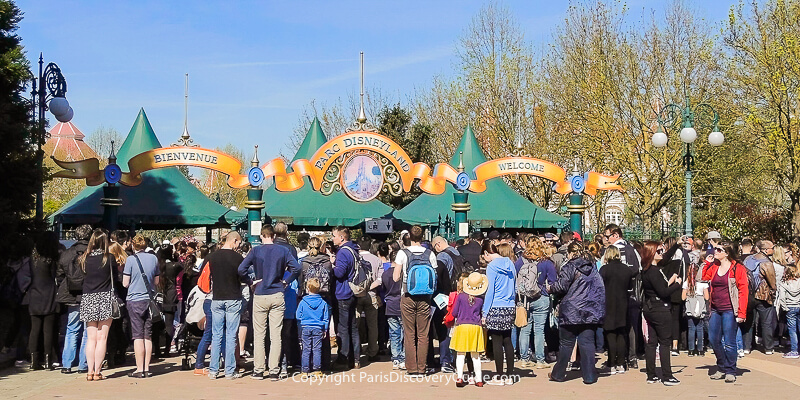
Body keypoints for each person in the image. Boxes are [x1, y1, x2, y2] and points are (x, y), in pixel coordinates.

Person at [240, 225, 301, 380]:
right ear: (273, 236)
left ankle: (259, 370)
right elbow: (297, 268)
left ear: (261, 236)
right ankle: (274, 370)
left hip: (260, 293)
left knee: (259, 335)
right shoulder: (283, 251)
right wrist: (286, 281)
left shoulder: (255, 251)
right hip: (277, 293)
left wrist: (251, 282)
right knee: (276, 334)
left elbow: (241, 270)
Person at [547, 242, 605, 385]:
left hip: (571, 310)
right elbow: (600, 288)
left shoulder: (569, 266)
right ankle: (589, 376)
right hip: (589, 310)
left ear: (571, 253)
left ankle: (558, 373)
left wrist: (550, 288)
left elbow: (561, 286)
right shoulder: (593, 268)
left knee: (566, 344)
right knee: (587, 343)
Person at [393, 225, 438, 376]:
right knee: (423, 333)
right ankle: (422, 367)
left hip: (407, 296)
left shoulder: (402, 253)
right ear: (422, 236)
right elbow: (435, 276)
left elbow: (395, 277)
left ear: (409, 237)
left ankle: (412, 368)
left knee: (409, 332)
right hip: (425, 297)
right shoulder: (430, 253)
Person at [703, 242, 748, 383]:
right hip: (715, 309)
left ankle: (730, 370)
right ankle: (722, 365)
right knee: (713, 339)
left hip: (730, 309)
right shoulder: (714, 266)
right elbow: (702, 277)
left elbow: (743, 291)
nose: (715, 251)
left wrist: (741, 313)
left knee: (729, 341)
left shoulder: (737, 268)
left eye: (719, 250)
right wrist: (706, 263)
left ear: (727, 253)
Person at [78, 228, 118, 381]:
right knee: (103, 338)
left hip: (88, 298)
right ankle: (97, 371)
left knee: (91, 338)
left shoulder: (83, 258)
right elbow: (116, 277)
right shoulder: (109, 258)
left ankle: (89, 371)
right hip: (105, 297)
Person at [640, 241, 682, 386]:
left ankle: (651, 375)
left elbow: (659, 286)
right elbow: (663, 292)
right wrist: (677, 284)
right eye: (658, 251)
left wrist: (676, 245)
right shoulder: (653, 271)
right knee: (664, 342)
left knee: (652, 342)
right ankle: (667, 376)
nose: (661, 254)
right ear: (651, 253)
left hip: (650, 308)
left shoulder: (647, 270)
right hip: (659, 308)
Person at [602, 224, 643, 370]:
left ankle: (615, 360)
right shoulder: (632, 249)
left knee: (613, 331)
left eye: (607, 236)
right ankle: (631, 357)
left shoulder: (611, 255)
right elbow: (638, 269)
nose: (606, 240)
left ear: (615, 235)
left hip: (611, 298)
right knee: (629, 328)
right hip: (630, 294)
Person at [514, 235, 557, 369]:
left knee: (525, 329)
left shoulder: (520, 261)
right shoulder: (546, 262)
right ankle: (540, 360)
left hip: (525, 299)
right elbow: (553, 281)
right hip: (541, 297)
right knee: (539, 330)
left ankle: (524, 358)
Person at [206, 232, 244, 380]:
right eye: (239, 243)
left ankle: (213, 370)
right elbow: (243, 276)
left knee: (216, 335)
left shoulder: (212, 257)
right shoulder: (238, 258)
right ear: (234, 241)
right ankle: (229, 371)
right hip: (233, 297)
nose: (239, 246)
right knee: (231, 335)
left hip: (217, 297)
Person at [56, 224, 92, 374]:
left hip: (71, 294)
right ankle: (83, 364)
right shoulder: (92, 253)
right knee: (87, 331)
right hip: (88, 293)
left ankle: (67, 363)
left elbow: (59, 274)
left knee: (71, 329)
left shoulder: (66, 253)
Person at [122, 234, 160, 378]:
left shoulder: (131, 260)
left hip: (134, 299)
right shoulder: (154, 258)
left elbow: (125, 283)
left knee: (137, 335)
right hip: (149, 300)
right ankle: (147, 367)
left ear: (133, 245)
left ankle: (139, 369)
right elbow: (156, 282)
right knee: (147, 335)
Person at [481, 242, 517, 385]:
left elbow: (490, 291)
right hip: (509, 306)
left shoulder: (492, 267)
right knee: (507, 340)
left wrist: (485, 312)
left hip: (495, 306)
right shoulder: (511, 263)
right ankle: (509, 375)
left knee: (496, 341)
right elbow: (514, 286)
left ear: (486, 253)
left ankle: (499, 375)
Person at [26, 232, 61, 371]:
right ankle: (48, 361)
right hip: (49, 294)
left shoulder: (32, 258)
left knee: (34, 329)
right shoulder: (51, 259)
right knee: (48, 330)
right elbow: (54, 277)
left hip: (34, 294)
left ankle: (34, 361)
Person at [331, 226, 362, 369]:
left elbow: (339, 273)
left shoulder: (343, 252)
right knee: (353, 326)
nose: (332, 239)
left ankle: (344, 358)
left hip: (343, 293)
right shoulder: (354, 250)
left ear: (342, 237)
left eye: (334, 236)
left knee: (343, 327)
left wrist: (332, 264)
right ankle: (355, 358)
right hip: (353, 291)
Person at [599, 246, 634, 374]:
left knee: (610, 334)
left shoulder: (604, 270)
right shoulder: (627, 270)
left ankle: (611, 364)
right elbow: (630, 288)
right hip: (623, 303)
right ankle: (621, 363)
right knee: (621, 333)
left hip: (608, 303)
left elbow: (600, 288)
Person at [450, 272, 487, 388]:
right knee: (475, 355)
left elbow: (454, 312)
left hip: (462, 326)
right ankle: (479, 379)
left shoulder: (461, 296)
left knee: (460, 354)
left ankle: (460, 377)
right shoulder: (481, 299)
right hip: (476, 327)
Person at [743, 240, 778, 355]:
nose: (773, 250)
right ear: (766, 250)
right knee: (766, 322)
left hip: (748, 294)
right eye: (772, 248)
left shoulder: (748, 260)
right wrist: (773, 290)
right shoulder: (766, 262)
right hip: (763, 295)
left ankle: (747, 347)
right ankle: (768, 347)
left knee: (749, 322)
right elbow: (771, 280)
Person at [296, 277, 329, 377]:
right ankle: (317, 370)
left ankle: (305, 371)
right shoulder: (323, 303)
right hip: (318, 328)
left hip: (305, 327)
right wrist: (325, 329)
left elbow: (298, 315)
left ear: (307, 289)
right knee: (317, 349)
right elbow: (326, 318)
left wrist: (303, 321)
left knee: (306, 349)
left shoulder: (303, 302)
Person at [379, 242, 404, 370]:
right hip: (402, 305)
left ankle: (395, 358)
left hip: (389, 305)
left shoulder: (385, 274)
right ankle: (403, 357)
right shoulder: (403, 273)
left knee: (394, 333)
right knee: (404, 333)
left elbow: (383, 288)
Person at [356, 236, 381, 363]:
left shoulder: (355, 258)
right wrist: (370, 287)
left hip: (356, 295)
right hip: (371, 294)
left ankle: (356, 350)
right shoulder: (376, 259)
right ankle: (372, 351)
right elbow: (380, 279)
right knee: (372, 325)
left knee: (356, 324)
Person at [683, 262, 709, 356]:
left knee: (691, 329)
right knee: (700, 329)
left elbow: (683, 297)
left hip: (690, 308)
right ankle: (700, 350)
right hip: (700, 308)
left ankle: (691, 349)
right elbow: (706, 297)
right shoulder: (703, 284)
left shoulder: (687, 283)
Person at [775, 264, 800, 358]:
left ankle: (794, 350)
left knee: (792, 330)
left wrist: (785, 308)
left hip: (790, 307)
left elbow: (782, 298)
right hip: (798, 305)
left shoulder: (783, 284)